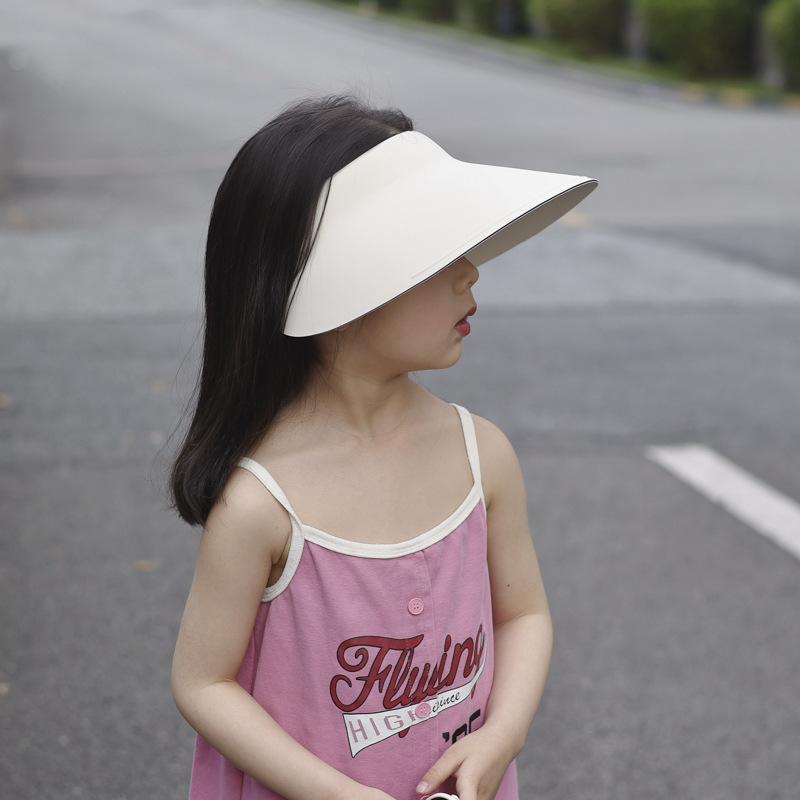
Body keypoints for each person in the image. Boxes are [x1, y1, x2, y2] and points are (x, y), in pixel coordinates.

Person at [169, 95, 596, 800]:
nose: (472, 272)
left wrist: (502, 734)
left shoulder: (480, 455)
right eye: (436, 254)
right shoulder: (260, 505)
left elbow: (524, 615)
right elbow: (203, 681)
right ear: (338, 283)